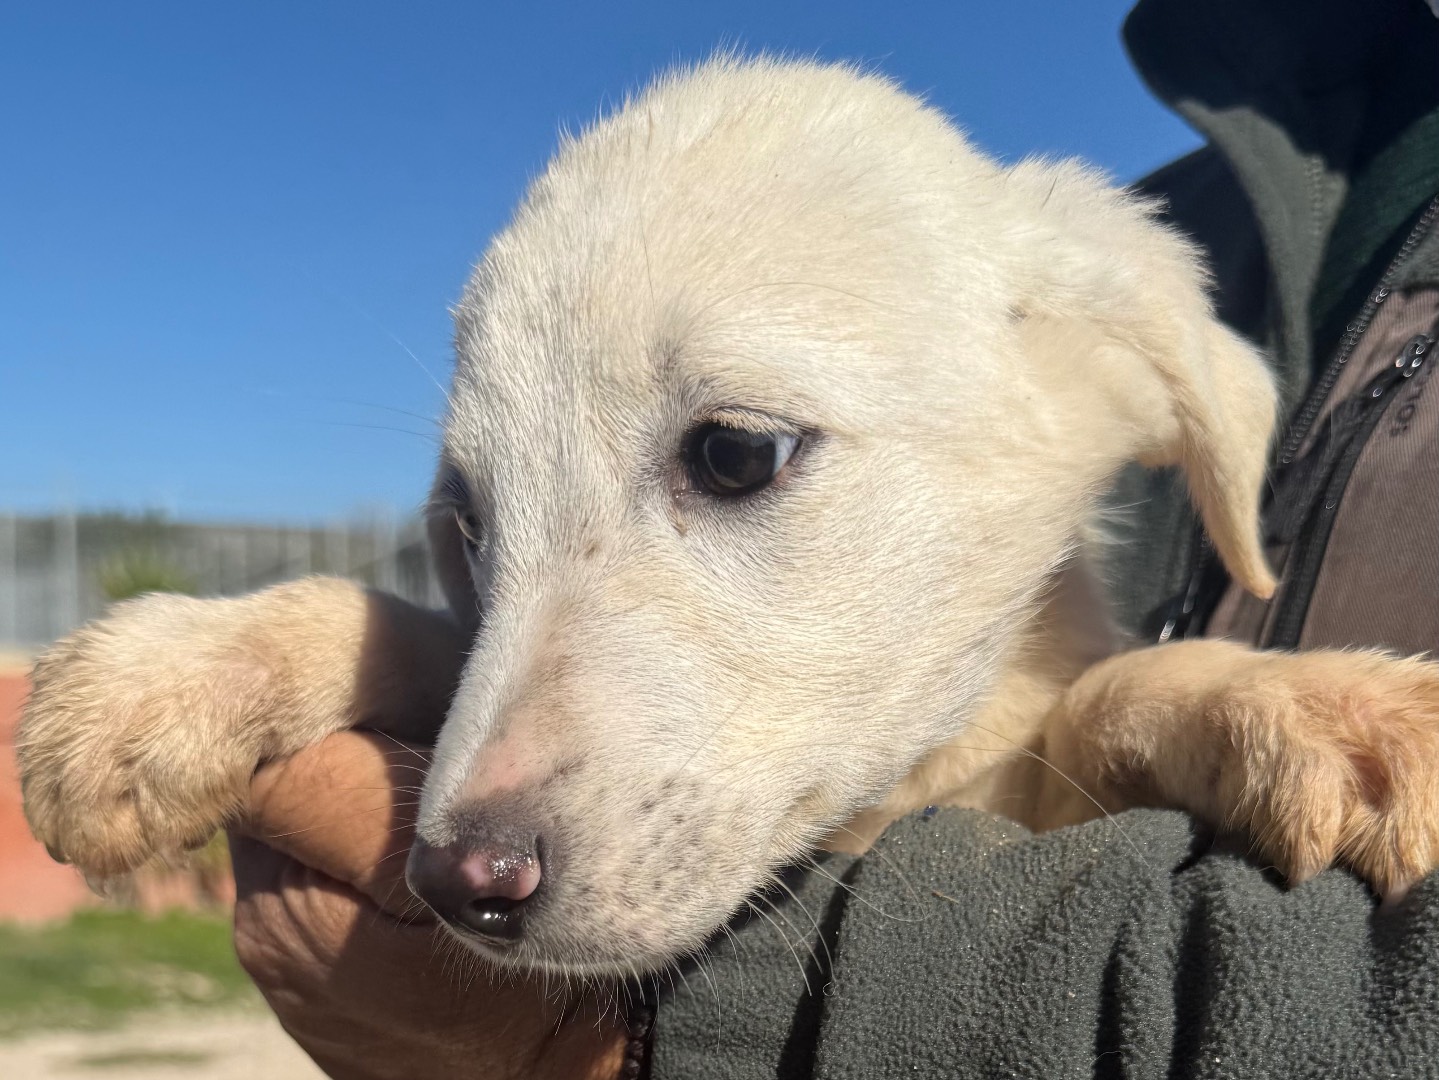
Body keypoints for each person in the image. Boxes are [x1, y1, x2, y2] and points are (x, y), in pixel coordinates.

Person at [230, 1, 1439, 1076]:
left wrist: (1172, 700)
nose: (460, 832)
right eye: (479, 524)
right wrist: (310, 653)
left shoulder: (1056, 292)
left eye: (732, 455)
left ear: (1115, 372)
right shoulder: (1243, 189)